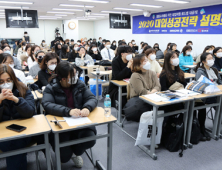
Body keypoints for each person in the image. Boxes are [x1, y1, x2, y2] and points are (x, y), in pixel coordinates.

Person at [42, 61, 97, 168]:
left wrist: (87, 107)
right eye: (72, 75)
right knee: (64, 157)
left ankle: (76, 153)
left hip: (79, 122)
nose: (76, 77)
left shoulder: (79, 84)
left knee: (89, 139)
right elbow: (47, 104)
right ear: (63, 78)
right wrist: (68, 111)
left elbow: (91, 98)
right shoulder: (51, 88)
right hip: (61, 125)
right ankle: (68, 154)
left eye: (76, 74)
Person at [160, 51, 209, 141]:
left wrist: (192, 87)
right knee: (191, 107)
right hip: (174, 99)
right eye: (173, 57)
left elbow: (185, 85)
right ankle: (191, 131)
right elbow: (163, 90)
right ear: (168, 60)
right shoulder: (164, 73)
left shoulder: (179, 72)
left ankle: (201, 128)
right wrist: (176, 92)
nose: (176, 59)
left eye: (176, 57)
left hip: (184, 96)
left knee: (201, 106)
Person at [0, 64, 35, 170]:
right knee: (11, 145)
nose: (6, 84)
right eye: (1, 82)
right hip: (3, 134)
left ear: (13, 79)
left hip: (23, 131)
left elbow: (30, 111)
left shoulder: (23, 89)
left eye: (8, 80)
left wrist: (16, 100)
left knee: (16, 143)